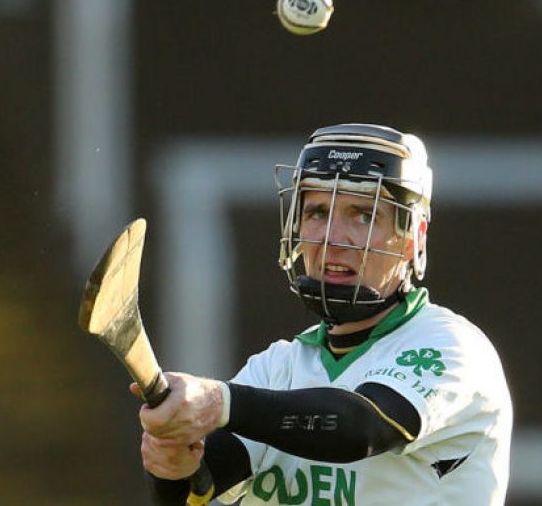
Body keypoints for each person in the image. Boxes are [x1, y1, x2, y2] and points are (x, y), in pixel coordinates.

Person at [132, 123, 512, 505]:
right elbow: (197, 492)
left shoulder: (450, 347)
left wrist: (219, 402)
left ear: (414, 238)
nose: (332, 236)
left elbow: (358, 428)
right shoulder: (277, 368)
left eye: (363, 216)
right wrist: (172, 466)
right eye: (317, 212)